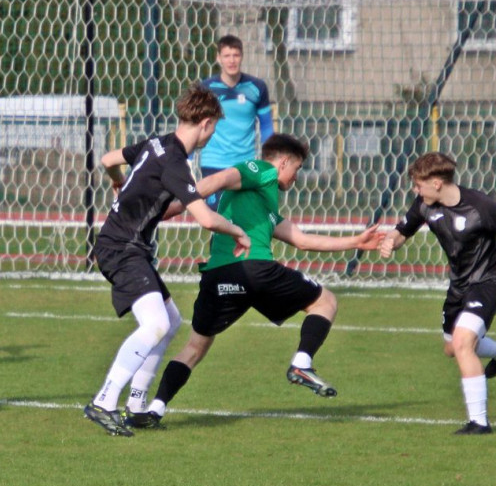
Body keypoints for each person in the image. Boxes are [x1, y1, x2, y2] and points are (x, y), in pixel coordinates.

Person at [121, 133, 382, 429]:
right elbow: (214, 181)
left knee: (195, 347)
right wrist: (173, 207)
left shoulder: (264, 209)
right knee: (326, 301)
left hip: (218, 277)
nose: (296, 178)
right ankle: (302, 363)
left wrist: (356, 242)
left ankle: (155, 409)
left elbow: (304, 240)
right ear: (283, 162)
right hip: (255, 270)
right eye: (296, 169)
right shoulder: (261, 170)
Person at [83, 84, 251, 437]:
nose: (213, 133)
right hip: (121, 248)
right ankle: (104, 400)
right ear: (205, 123)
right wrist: (238, 231)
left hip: (129, 247)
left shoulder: (155, 143)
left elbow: (108, 160)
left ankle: (137, 405)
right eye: (215, 126)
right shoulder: (175, 162)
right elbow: (205, 218)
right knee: (157, 324)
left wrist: (119, 184)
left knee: (171, 321)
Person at [379, 152, 496, 435]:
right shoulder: (425, 204)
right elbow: (402, 231)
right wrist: (389, 242)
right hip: (459, 286)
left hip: (489, 282)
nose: (415, 191)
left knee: (464, 342)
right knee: (451, 348)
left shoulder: (481, 207)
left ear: (437, 182)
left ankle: (479, 422)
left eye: (418, 185)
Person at [198, 34, 273, 208]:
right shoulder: (207, 89)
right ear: (218, 58)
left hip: (244, 165)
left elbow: (267, 126)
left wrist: (271, 158)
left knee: (242, 221)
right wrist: (187, 159)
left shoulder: (257, 88)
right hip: (213, 163)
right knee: (218, 221)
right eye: (227, 56)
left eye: (236, 55)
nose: (232, 60)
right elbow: (196, 126)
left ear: (242, 57)